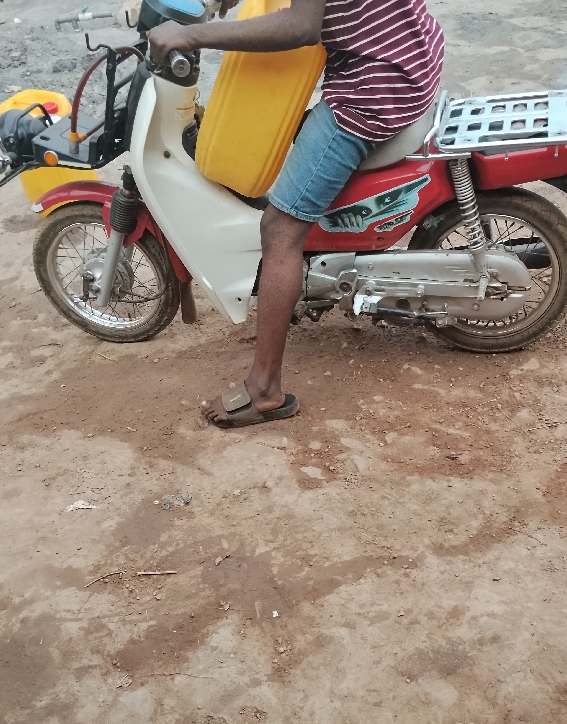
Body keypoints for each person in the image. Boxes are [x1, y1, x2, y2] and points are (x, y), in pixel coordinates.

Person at [148, 0, 444, 428]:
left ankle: (265, 389)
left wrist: (191, 35)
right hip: (408, 53)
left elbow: (301, 25)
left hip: (373, 87)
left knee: (280, 228)